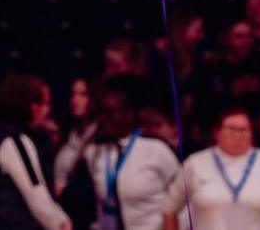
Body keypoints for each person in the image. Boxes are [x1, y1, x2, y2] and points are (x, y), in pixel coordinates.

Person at [166, 106, 260, 230]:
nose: (238, 135)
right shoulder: (195, 163)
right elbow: (169, 209)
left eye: (244, 129)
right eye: (232, 129)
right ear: (217, 132)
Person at [73, 82, 181, 230]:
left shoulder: (156, 149)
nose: (105, 118)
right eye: (102, 113)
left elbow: (184, 200)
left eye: (111, 112)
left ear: (129, 113)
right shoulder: (94, 152)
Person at [0, 72, 71, 230]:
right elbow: (38, 200)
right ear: (32, 106)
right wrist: (62, 224)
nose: (48, 110)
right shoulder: (15, 141)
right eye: (46, 103)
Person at [54, 78, 97, 198]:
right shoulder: (69, 132)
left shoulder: (97, 135)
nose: (75, 100)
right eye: (72, 94)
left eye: (83, 94)